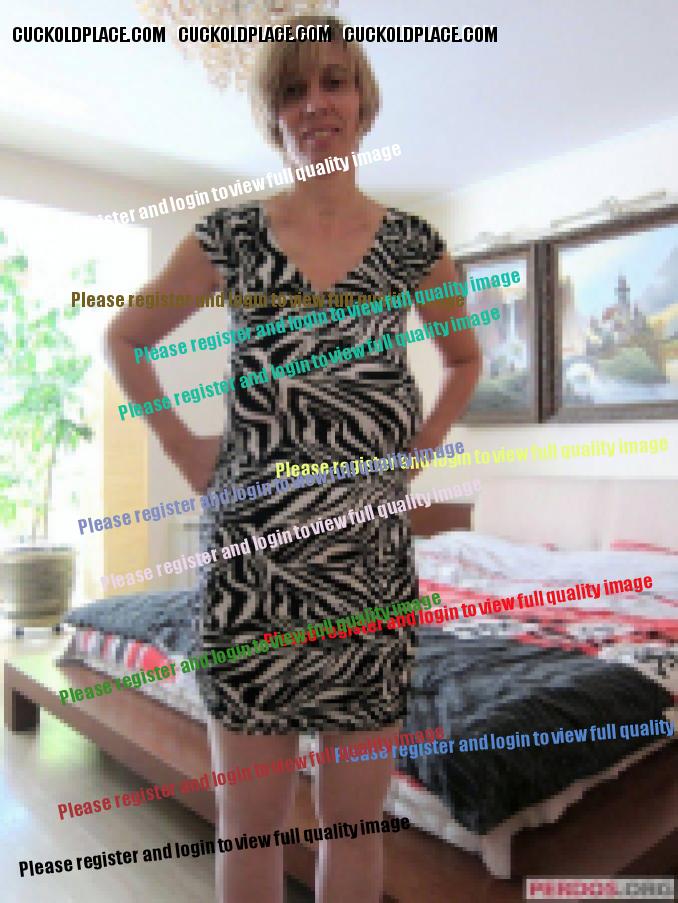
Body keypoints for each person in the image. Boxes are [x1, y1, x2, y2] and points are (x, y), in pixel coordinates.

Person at [105, 14, 481, 903]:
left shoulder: (414, 247)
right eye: (292, 89)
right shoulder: (229, 237)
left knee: (353, 828)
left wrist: (417, 450)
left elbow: (465, 360)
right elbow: (126, 338)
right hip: (252, 575)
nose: (316, 103)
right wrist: (182, 444)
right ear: (274, 114)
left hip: (367, 570)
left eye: (334, 81)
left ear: (363, 100)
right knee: (251, 825)